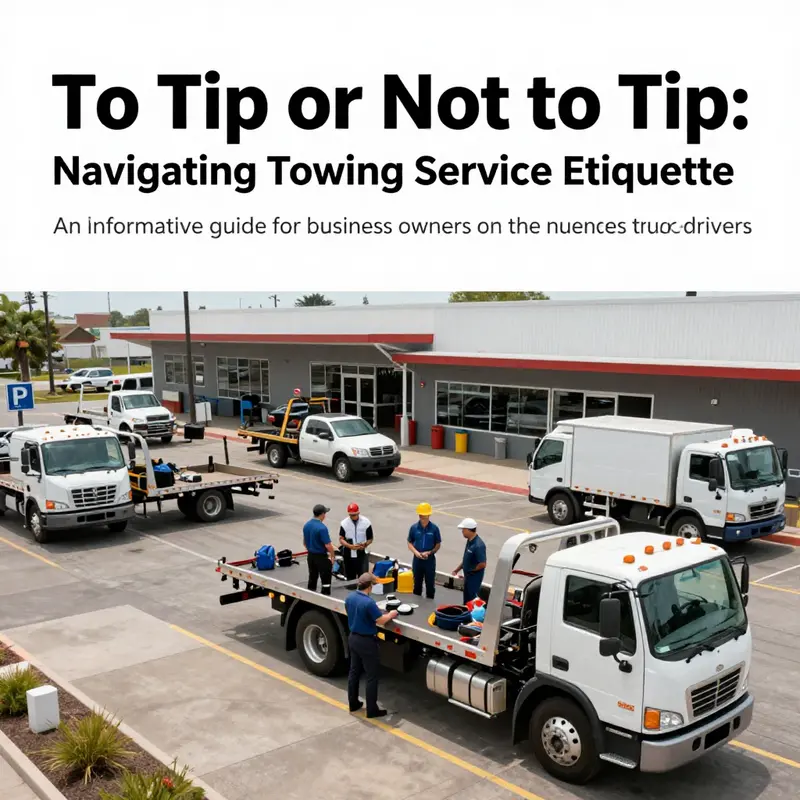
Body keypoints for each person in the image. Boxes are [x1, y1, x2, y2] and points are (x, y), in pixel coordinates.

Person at [345, 572, 398, 718]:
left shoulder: (350, 597)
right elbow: (380, 620)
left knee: (354, 672)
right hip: (366, 642)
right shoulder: (368, 603)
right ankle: (372, 710)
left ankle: (353, 703)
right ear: (369, 586)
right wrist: (391, 614)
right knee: (371, 676)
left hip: (353, 638)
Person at [407, 502, 441, 599]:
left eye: (424, 515)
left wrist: (430, 552)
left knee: (430, 585)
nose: (422, 517)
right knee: (417, 584)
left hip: (429, 560)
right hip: (417, 560)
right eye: (420, 515)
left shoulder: (434, 529)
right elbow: (409, 542)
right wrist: (416, 553)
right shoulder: (414, 528)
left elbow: (438, 544)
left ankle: (430, 603)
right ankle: (417, 603)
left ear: (429, 515)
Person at [451, 518, 487, 604]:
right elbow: (466, 559)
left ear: (469, 530)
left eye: (463, 529)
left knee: (472, 600)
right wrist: (457, 570)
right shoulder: (470, 541)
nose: (462, 531)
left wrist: (471, 570)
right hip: (468, 577)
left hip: (473, 579)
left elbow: (482, 564)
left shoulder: (478, 545)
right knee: (466, 600)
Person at [303, 504, 335, 595]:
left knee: (312, 577)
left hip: (310, 556)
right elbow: (328, 545)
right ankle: (325, 595)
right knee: (326, 580)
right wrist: (332, 556)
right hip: (321, 557)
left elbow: (304, 543)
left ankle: (310, 594)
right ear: (322, 514)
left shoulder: (307, 525)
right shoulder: (322, 528)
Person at [338, 503, 374, 582]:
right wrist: (350, 546)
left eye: (354, 515)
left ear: (358, 513)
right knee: (350, 578)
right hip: (348, 555)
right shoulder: (344, 523)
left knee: (363, 578)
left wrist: (365, 544)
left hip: (362, 554)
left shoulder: (366, 522)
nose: (353, 517)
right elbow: (341, 539)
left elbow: (370, 538)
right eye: (351, 515)